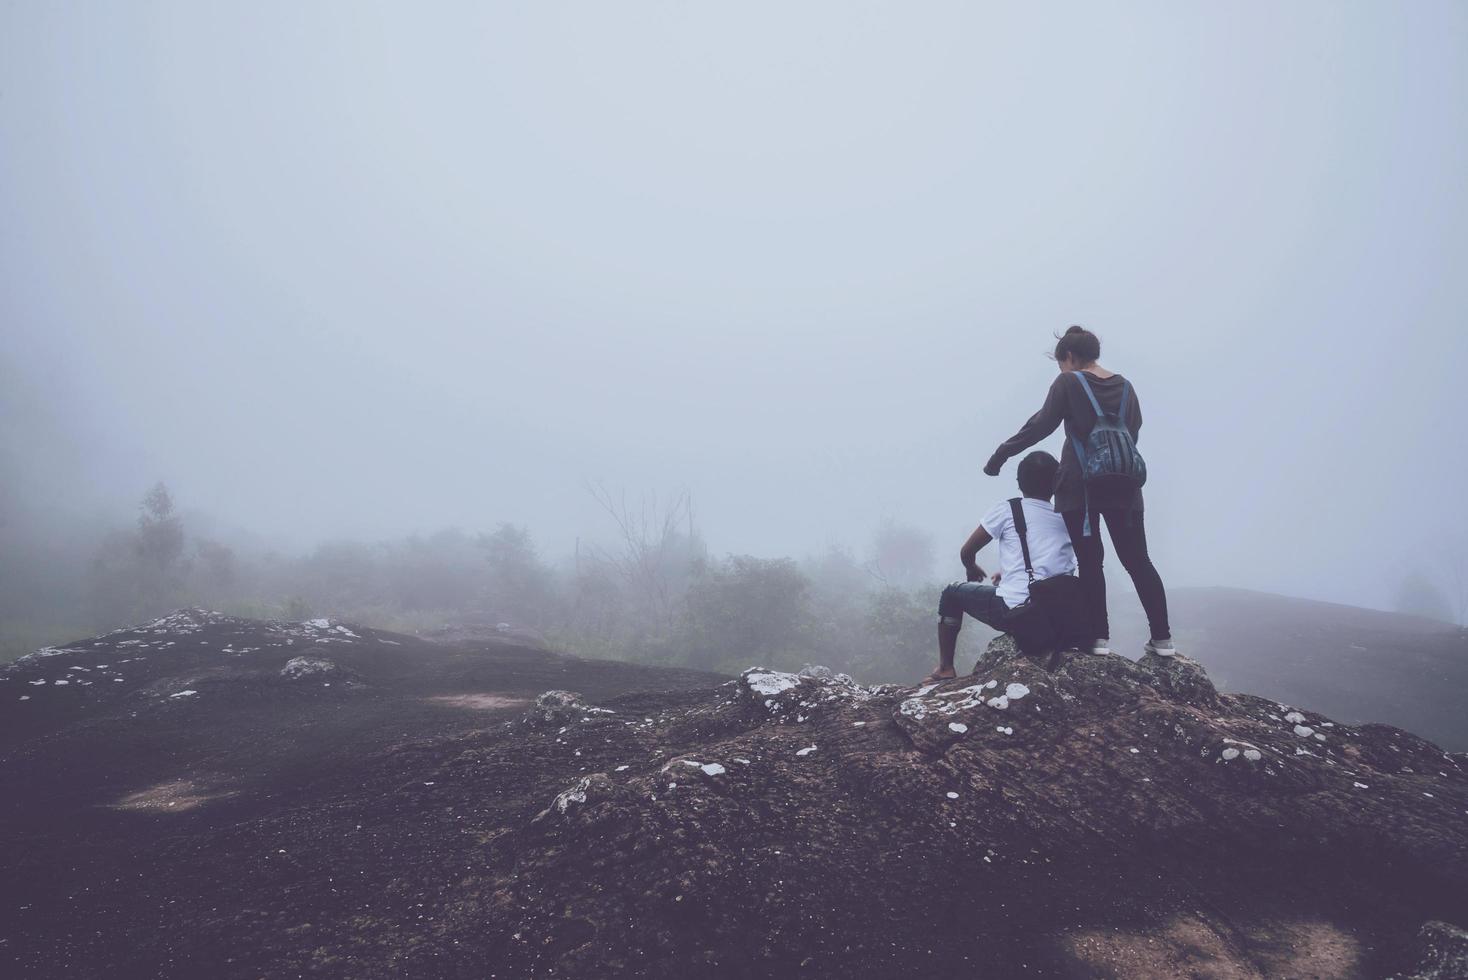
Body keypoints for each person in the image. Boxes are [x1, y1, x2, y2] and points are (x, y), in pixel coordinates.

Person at [982, 326, 1177, 658]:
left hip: (1078, 488)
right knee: (1139, 561)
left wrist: (1002, 453)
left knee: (1090, 561)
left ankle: (1098, 639)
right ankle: (1162, 640)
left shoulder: (1068, 382)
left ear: (1069, 357)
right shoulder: (1126, 387)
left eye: (1061, 364)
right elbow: (1133, 433)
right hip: (1126, 487)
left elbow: (1042, 424)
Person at [924, 451, 1077, 683]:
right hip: (1058, 615)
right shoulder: (1065, 517)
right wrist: (1007, 574)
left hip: (1017, 610)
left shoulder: (1008, 509)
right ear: (1056, 483)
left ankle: (945, 668)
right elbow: (1055, 564)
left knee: (951, 593)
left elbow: (967, 552)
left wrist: (971, 567)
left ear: (1019, 483)